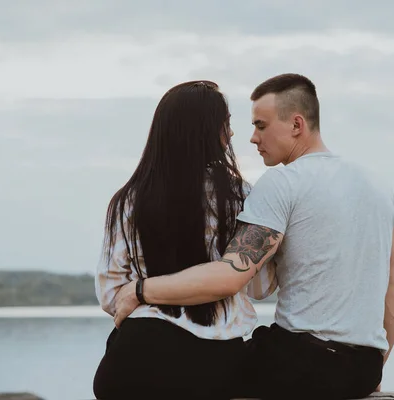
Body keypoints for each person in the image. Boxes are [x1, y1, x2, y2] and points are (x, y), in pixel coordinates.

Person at [113, 73, 394, 399]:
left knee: (180, 365)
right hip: (364, 369)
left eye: (261, 126)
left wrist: (140, 290)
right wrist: (375, 369)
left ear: (297, 125)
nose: (253, 138)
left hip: (299, 365)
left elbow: (230, 276)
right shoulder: (379, 186)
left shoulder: (281, 183)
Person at [92, 80, 274, 400]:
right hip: (213, 364)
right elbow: (258, 287)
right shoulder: (243, 198)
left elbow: (111, 296)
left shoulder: (127, 200)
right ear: (205, 130)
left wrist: (146, 292)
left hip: (133, 361)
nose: (231, 134)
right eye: (226, 123)